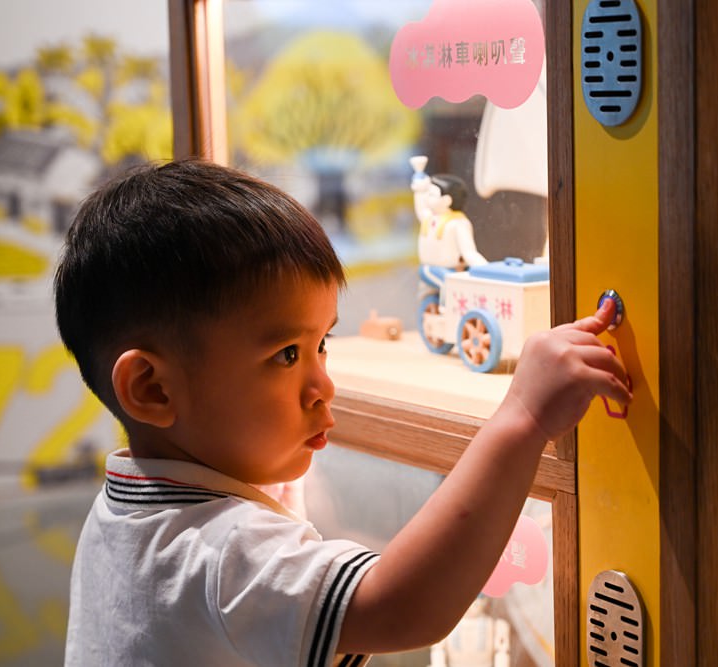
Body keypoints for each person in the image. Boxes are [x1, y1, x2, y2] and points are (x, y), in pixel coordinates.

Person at [55, 159, 632, 666]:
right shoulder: (216, 550)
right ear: (152, 390)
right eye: (286, 355)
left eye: (322, 344)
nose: (322, 387)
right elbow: (400, 608)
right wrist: (523, 418)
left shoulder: (125, 512)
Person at [411, 157, 488, 300]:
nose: (427, 198)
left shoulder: (458, 223)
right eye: (427, 194)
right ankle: (447, 309)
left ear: (447, 201)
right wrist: (419, 187)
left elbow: (469, 252)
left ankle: (452, 308)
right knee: (450, 285)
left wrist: (486, 269)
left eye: (431, 194)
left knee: (458, 286)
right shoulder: (429, 218)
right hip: (430, 269)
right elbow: (420, 207)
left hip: (456, 271)